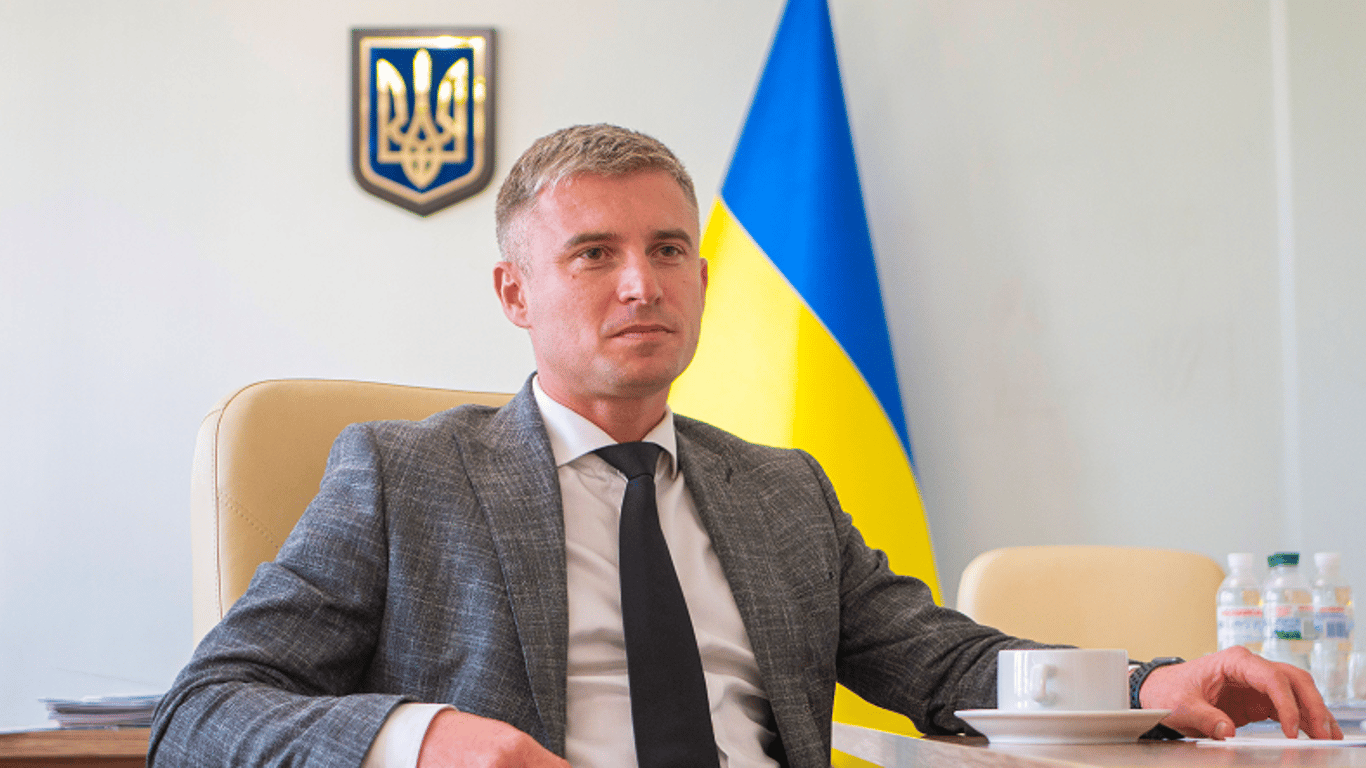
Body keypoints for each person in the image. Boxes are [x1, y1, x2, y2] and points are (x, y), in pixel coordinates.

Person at [149, 124, 1340, 768]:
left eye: (669, 250)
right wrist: (421, 741)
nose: (641, 284)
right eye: (593, 255)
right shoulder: (402, 475)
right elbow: (203, 713)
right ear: (514, 293)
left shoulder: (777, 489)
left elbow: (940, 667)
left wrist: (1145, 684)